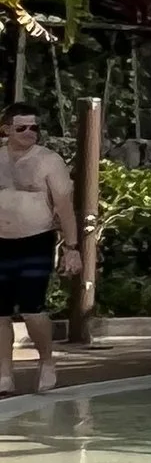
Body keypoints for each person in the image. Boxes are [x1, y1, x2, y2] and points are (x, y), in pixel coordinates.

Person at [0, 105, 82, 394]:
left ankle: (46, 360)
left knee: (32, 305)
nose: (29, 133)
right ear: (6, 129)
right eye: (22, 128)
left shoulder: (49, 161)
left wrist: (72, 248)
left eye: (34, 127)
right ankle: (4, 373)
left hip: (35, 239)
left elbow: (65, 208)